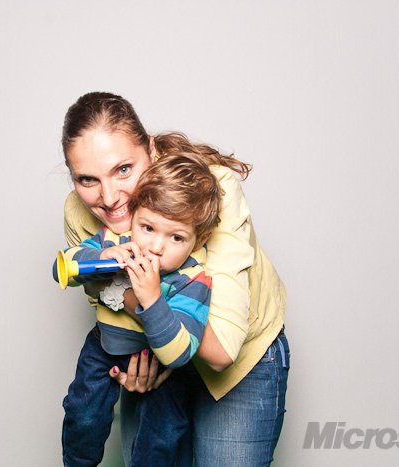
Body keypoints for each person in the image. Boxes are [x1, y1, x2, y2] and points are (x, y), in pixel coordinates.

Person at [60, 91, 289, 466]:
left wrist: (136, 296)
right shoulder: (79, 211)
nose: (110, 197)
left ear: (150, 150)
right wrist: (134, 351)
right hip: (155, 351)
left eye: (123, 170)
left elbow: (221, 352)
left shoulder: (214, 189)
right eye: (87, 179)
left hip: (236, 359)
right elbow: (99, 299)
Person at [56, 152, 222, 467]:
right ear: (134, 215)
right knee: (83, 414)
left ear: (199, 239)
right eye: (147, 228)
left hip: (160, 365)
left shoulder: (193, 280)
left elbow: (180, 354)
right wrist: (102, 256)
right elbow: (62, 269)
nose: (155, 247)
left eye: (176, 237)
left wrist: (152, 299)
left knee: (163, 434)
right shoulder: (115, 239)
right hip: (103, 348)